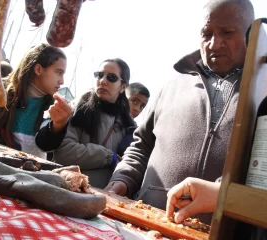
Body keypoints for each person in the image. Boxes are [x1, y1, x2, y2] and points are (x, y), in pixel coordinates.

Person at [104, 0, 255, 224]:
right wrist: (123, 178)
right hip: (145, 223)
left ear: (250, 34)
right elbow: (142, 145)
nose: (214, 43)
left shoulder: (261, 90)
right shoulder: (172, 86)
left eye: (227, 32)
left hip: (224, 231)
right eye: (207, 33)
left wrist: (224, 193)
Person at [36, 58, 136, 188]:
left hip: (105, 199)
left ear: (123, 87)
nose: (103, 81)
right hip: (67, 190)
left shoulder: (128, 126)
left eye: (111, 77)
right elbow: (65, 152)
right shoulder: (80, 108)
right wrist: (107, 157)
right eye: (99, 75)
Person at [0, 43, 67, 158]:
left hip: (28, 172)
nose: (62, 81)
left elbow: (44, 145)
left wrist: (58, 126)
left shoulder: (54, 107)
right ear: (38, 69)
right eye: (59, 72)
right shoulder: (1, 92)